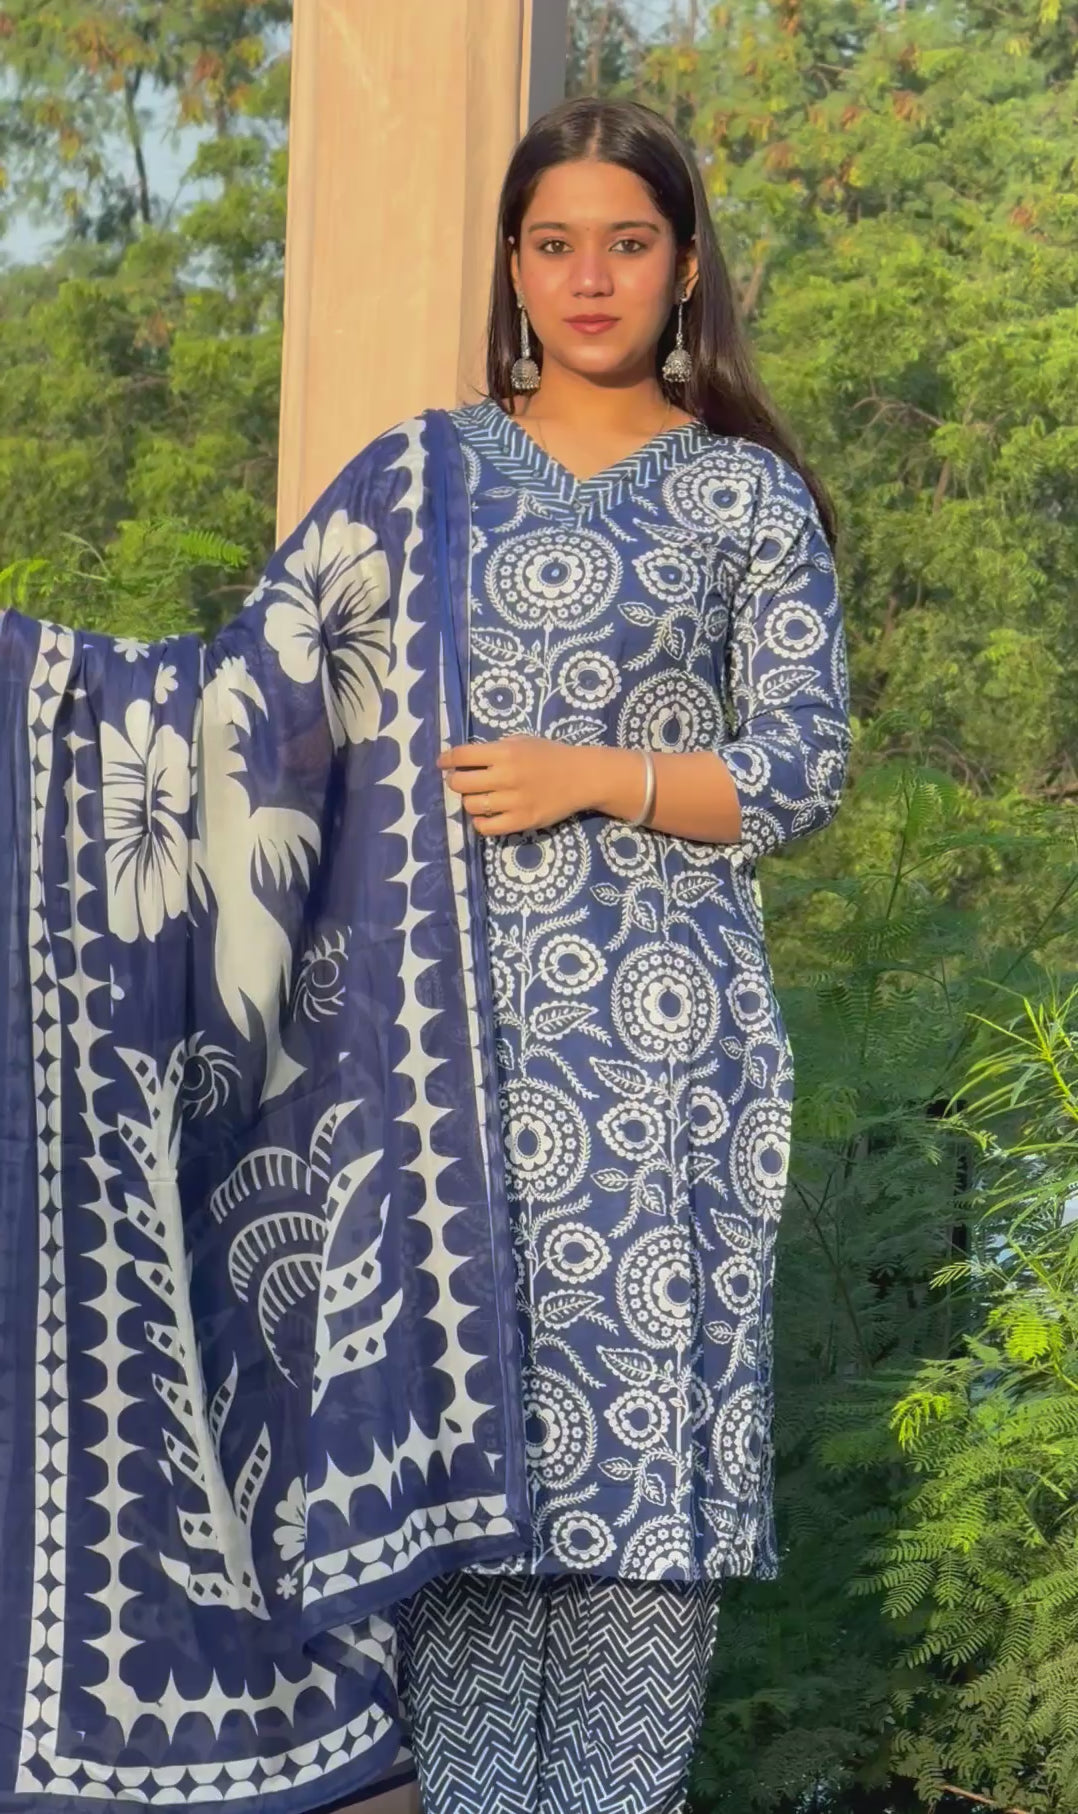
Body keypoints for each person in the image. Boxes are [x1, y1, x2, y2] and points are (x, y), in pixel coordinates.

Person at [0, 96, 848, 1814]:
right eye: (554, 244)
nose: (589, 278)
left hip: (664, 1084)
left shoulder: (744, 498)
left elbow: (800, 765)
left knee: (638, 1511)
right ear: (512, 269)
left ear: (684, 267)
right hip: (435, 1094)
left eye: (626, 242)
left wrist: (595, 775)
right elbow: (237, 711)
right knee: (455, 1506)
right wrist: (38, 693)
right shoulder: (419, 483)